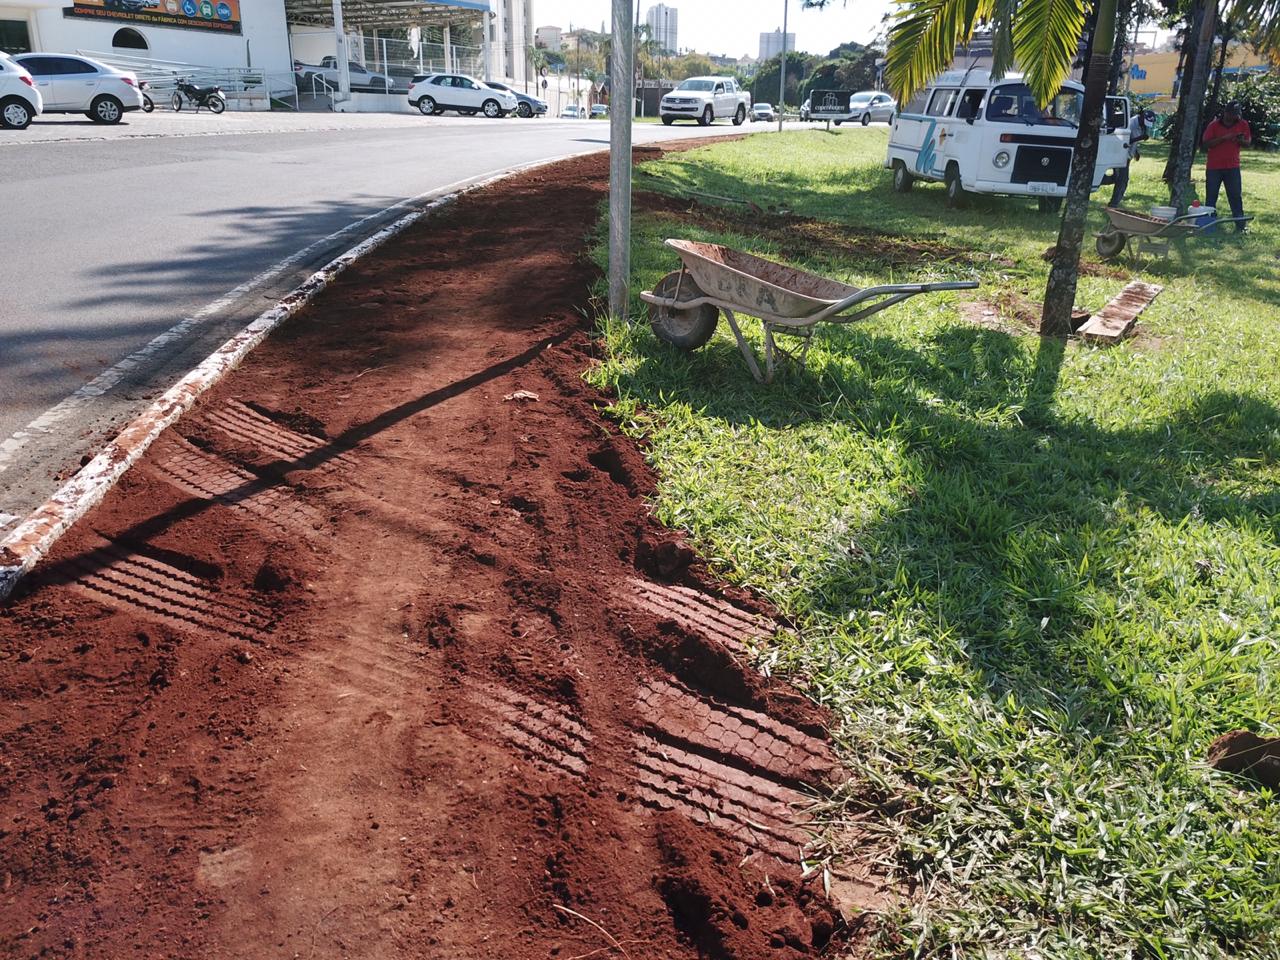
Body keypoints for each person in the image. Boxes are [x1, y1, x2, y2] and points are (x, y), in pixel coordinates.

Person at [1201, 102, 1252, 233]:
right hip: (1214, 167)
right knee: (1211, 197)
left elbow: (1248, 142)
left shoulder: (1243, 124)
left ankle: (1240, 225)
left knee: (1235, 196)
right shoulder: (1214, 125)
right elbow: (1206, 144)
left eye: (1236, 114)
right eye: (1231, 114)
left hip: (1233, 166)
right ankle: (1209, 225)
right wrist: (1224, 138)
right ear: (1225, 112)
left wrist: (1240, 141)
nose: (1233, 117)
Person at [1109, 109, 1154, 208]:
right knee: (1123, 180)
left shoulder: (1141, 125)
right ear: (1141, 116)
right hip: (1121, 154)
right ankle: (1114, 204)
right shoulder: (1131, 123)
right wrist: (1140, 138)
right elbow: (1124, 140)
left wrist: (1136, 152)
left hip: (1128, 155)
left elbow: (1133, 141)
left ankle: (1095, 182)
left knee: (1117, 179)